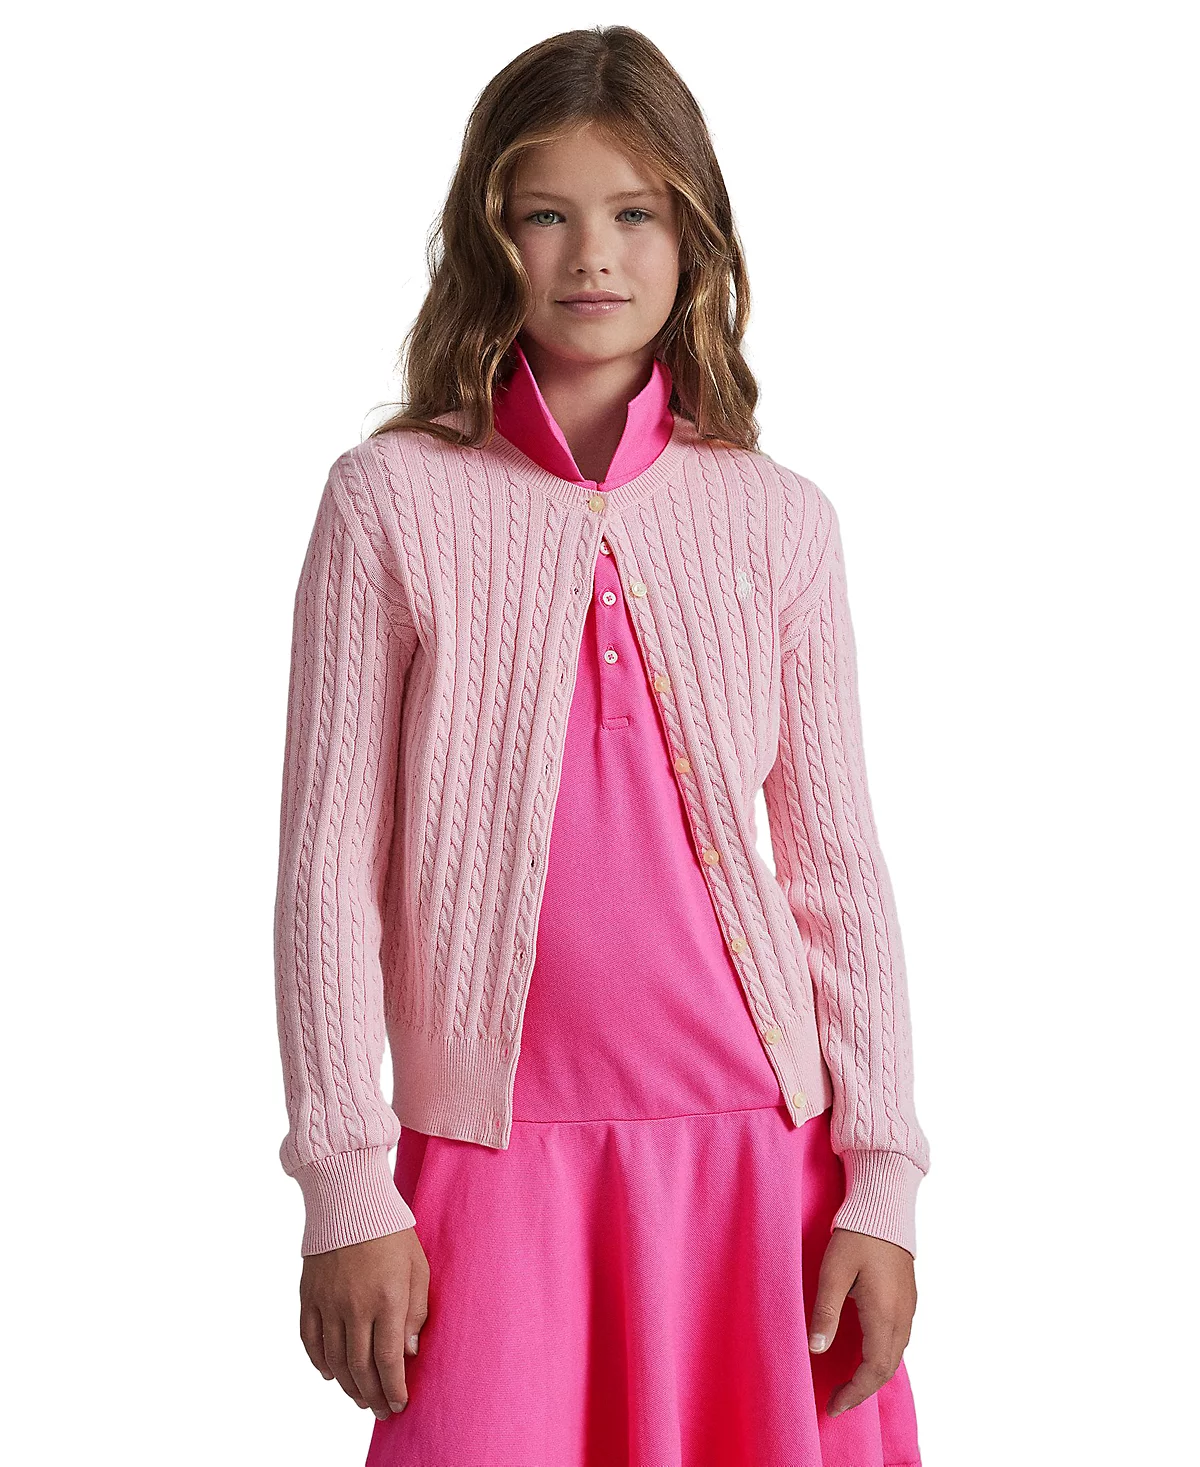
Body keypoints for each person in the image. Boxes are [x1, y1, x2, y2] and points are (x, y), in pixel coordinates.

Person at [273, 24, 931, 1467]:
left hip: (757, 1157)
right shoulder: (388, 502)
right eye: (545, 214)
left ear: (695, 236)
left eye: (635, 213)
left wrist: (881, 1178)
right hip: (492, 1157)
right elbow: (327, 869)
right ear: (487, 233)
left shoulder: (779, 520)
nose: (593, 257)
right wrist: (345, 1185)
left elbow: (835, 870)